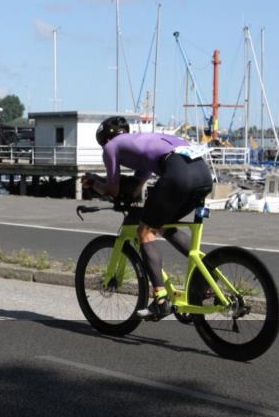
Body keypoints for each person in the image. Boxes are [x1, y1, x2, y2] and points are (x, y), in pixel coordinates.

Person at [82, 116, 213, 320]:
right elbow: (135, 188)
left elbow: (113, 189)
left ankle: (160, 299)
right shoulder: (143, 143)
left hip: (178, 174)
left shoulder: (111, 146)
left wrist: (93, 182)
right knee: (160, 224)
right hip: (203, 175)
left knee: (144, 232)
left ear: (105, 139)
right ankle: (208, 276)